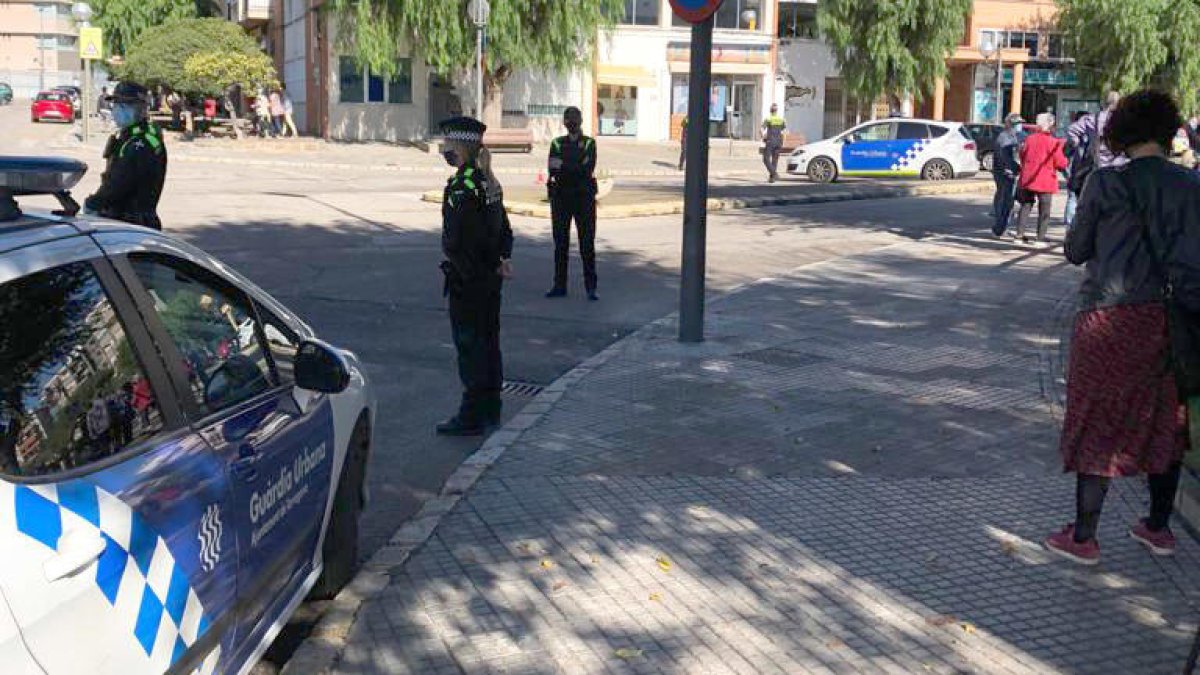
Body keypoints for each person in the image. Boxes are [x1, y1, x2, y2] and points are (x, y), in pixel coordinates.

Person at [1046, 89, 1200, 565]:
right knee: (1166, 419)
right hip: (1170, 320)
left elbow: (1075, 251)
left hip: (1108, 316)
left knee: (1098, 418)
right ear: (1168, 129)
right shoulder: (1191, 186)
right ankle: (1157, 527)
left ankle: (1085, 536)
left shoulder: (1105, 183)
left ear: (1121, 133)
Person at [436, 116, 512, 436]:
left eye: (448, 145)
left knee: (470, 349)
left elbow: (457, 240)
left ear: (460, 147)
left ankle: (470, 416)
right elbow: (503, 231)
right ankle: (491, 410)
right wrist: (501, 260)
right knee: (490, 344)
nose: (444, 150)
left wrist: (466, 272)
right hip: (490, 278)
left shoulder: (461, 186)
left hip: (469, 281)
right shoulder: (488, 182)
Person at [84, 82, 168, 230]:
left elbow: (119, 182)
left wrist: (93, 203)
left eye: (125, 106)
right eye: (116, 104)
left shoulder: (140, 142)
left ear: (141, 109)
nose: (117, 110)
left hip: (131, 222)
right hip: (125, 220)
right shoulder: (128, 137)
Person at [546, 107, 599, 301]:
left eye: (574, 118)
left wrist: (566, 167)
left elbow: (588, 168)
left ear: (581, 120)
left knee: (587, 244)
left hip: (583, 199)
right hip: (561, 199)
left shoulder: (589, 143)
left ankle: (591, 287)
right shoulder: (557, 143)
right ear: (564, 122)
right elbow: (553, 168)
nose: (571, 121)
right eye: (568, 118)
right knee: (560, 244)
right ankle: (559, 285)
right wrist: (574, 165)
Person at [1014, 112, 1067, 244]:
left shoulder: (1029, 139)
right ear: (1050, 124)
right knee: (1044, 210)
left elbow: (1022, 155)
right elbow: (1060, 162)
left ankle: (1019, 235)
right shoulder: (1053, 142)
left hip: (1028, 177)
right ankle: (1040, 238)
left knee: (1025, 206)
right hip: (1045, 180)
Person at [991, 113, 1024, 237]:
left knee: (1006, 201)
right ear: (1010, 124)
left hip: (1007, 172)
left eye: (1020, 124)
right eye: (1016, 124)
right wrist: (1015, 169)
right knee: (1006, 202)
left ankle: (1002, 227)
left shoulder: (1012, 136)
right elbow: (1005, 157)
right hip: (1005, 173)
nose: (1019, 126)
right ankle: (999, 228)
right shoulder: (1005, 138)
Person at [1064, 110, 1093, 230]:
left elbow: (1065, 152)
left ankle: (1070, 222)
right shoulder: (1083, 141)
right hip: (1078, 169)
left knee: (1073, 196)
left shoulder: (1078, 140)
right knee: (1074, 196)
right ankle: (1071, 222)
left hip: (1076, 170)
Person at [761, 104, 787, 183]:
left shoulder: (768, 119)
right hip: (779, 141)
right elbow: (784, 130)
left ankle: (774, 174)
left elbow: (761, 129)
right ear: (776, 110)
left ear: (770, 110)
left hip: (770, 141)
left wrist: (763, 137)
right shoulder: (781, 119)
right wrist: (783, 140)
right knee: (775, 160)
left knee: (765, 159)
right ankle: (772, 178)